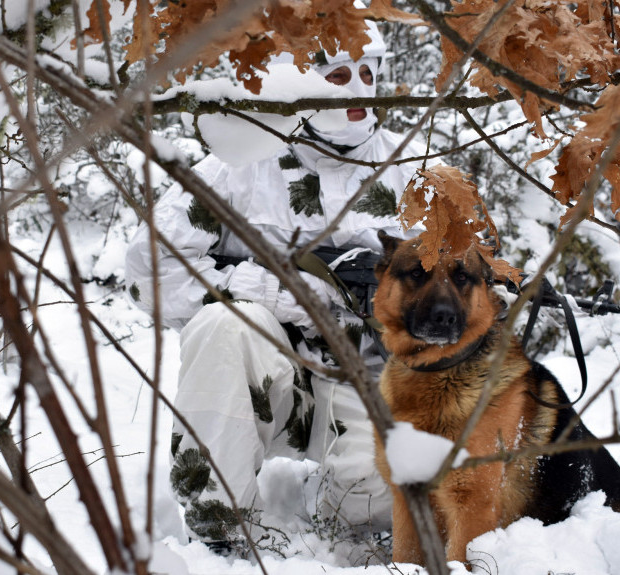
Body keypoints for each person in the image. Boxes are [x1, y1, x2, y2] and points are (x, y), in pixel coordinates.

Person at [126, 20, 422, 558]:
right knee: (221, 328)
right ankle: (221, 527)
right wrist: (278, 291)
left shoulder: (414, 171)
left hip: (370, 375)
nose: (357, 89)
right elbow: (151, 269)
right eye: (338, 74)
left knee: (372, 501)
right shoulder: (244, 164)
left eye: (366, 71)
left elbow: (458, 292)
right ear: (301, 80)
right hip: (272, 372)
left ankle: (337, 506)